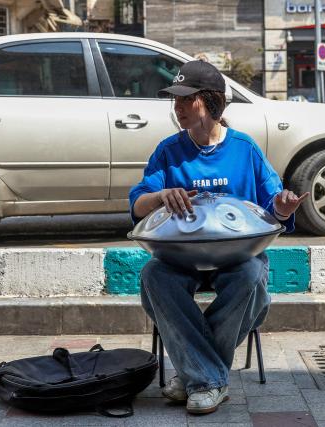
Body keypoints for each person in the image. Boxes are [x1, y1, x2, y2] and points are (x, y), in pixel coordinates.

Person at [129, 60, 309, 414]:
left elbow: (272, 208)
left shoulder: (245, 149)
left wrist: (284, 208)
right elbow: (137, 204)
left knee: (253, 277)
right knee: (153, 276)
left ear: (211, 102)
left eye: (186, 99)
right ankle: (208, 377)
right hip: (181, 258)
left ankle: (195, 373)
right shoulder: (168, 151)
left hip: (237, 257)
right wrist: (161, 196)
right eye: (174, 100)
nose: (177, 107)